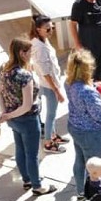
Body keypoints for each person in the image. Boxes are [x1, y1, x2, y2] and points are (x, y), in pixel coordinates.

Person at [0, 37, 56, 196]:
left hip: (14, 121)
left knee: (20, 150)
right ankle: (37, 186)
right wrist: (8, 115)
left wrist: (5, 113)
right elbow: (27, 106)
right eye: (30, 52)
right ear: (22, 53)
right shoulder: (24, 76)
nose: (32, 55)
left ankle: (27, 179)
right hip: (28, 120)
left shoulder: (3, 69)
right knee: (32, 154)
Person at [66, 49, 101, 200]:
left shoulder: (69, 83)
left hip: (74, 127)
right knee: (94, 166)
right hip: (90, 133)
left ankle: (81, 191)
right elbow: (100, 116)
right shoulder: (88, 92)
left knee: (79, 160)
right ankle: (94, 195)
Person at [29, 15, 68, 154]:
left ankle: (52, 135)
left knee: (50, 113)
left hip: (44, 83)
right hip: (48, 85)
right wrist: (57, 90)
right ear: (38, 29)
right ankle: (48, 143)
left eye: (52, 28)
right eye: (47, 29)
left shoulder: (40, 41)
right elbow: (46, 72)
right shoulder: (40, 47)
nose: (51, 31)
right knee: (51, 115)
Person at [70, 0, 101, 82]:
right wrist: (77, 44)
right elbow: (72, 24)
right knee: (90, 67)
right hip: (89, 42)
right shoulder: (79, 4)